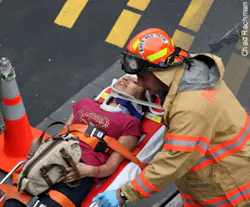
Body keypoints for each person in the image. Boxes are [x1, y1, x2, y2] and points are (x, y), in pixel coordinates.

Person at [93, 28, 250, 207]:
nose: (140, 83)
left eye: (143, 77)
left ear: (160, 71)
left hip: (233, 192)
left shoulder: (190, 107)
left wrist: (125, 193)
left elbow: (172, 160)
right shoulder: (189, 73)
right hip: (217, 178)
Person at [4, 75, 145, 207]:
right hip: (56, 155)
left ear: (141, 98)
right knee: (15, 201)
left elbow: (112, 165)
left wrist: (91, 171)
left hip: (80, 169)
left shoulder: (130, 123)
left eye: (134, 81)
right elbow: (63, 134)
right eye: (125, 76)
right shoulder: (85, 103)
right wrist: (42, 147)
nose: (126, 78)